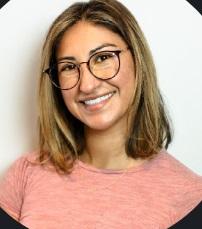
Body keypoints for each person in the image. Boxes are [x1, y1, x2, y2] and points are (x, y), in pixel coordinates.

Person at [0, 0, 202, 228]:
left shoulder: (190, 196)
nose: (87, 85)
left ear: (137, 59)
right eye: (68, 67)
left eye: (103, 58)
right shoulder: (25, 175)